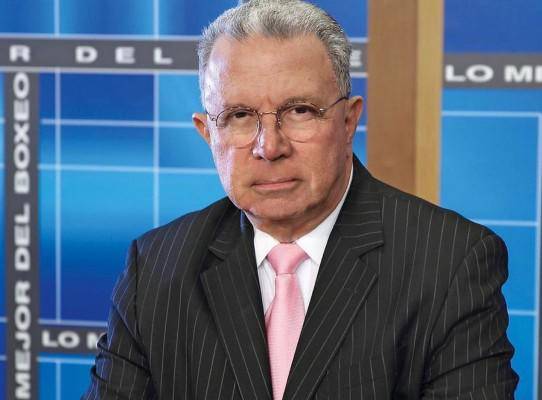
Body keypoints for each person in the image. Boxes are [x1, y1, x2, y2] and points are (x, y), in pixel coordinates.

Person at [83, 1, 518, 399]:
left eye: (299, 111)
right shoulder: (155, 269)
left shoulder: (450, 262)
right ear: (207, 133)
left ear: (348, 121)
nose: (269, 146)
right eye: (239, 116)